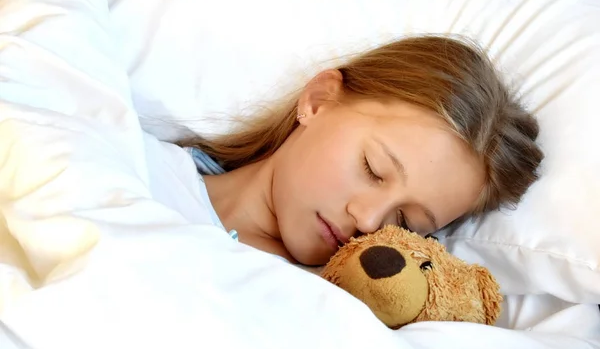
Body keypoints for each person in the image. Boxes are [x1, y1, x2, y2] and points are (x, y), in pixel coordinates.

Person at [178, 35, 544, 266]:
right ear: (319, 101)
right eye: (373, 168)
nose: (367, 222)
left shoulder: (330, 311)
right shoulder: (135, 157)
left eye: (406, 224)